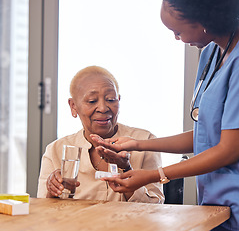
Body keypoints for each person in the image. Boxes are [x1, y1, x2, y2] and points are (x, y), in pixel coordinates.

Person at [91, 0, 239, 231]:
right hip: (221, 196)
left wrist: (154, 176)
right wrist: (137, 144)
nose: (176, 39)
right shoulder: (212, 51)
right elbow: (207, 133)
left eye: (177, 31)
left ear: (204, 20)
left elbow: (229, 149)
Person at [37, 65, 164, 203]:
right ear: (73, 106)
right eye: (92, 101)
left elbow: (155, 208)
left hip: (129, 224)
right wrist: (52, 191)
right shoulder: (56, 150)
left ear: (119, 101)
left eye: (110, 99)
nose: (103, 108)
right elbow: (44, 212)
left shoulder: (145, 141)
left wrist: (126, 170)